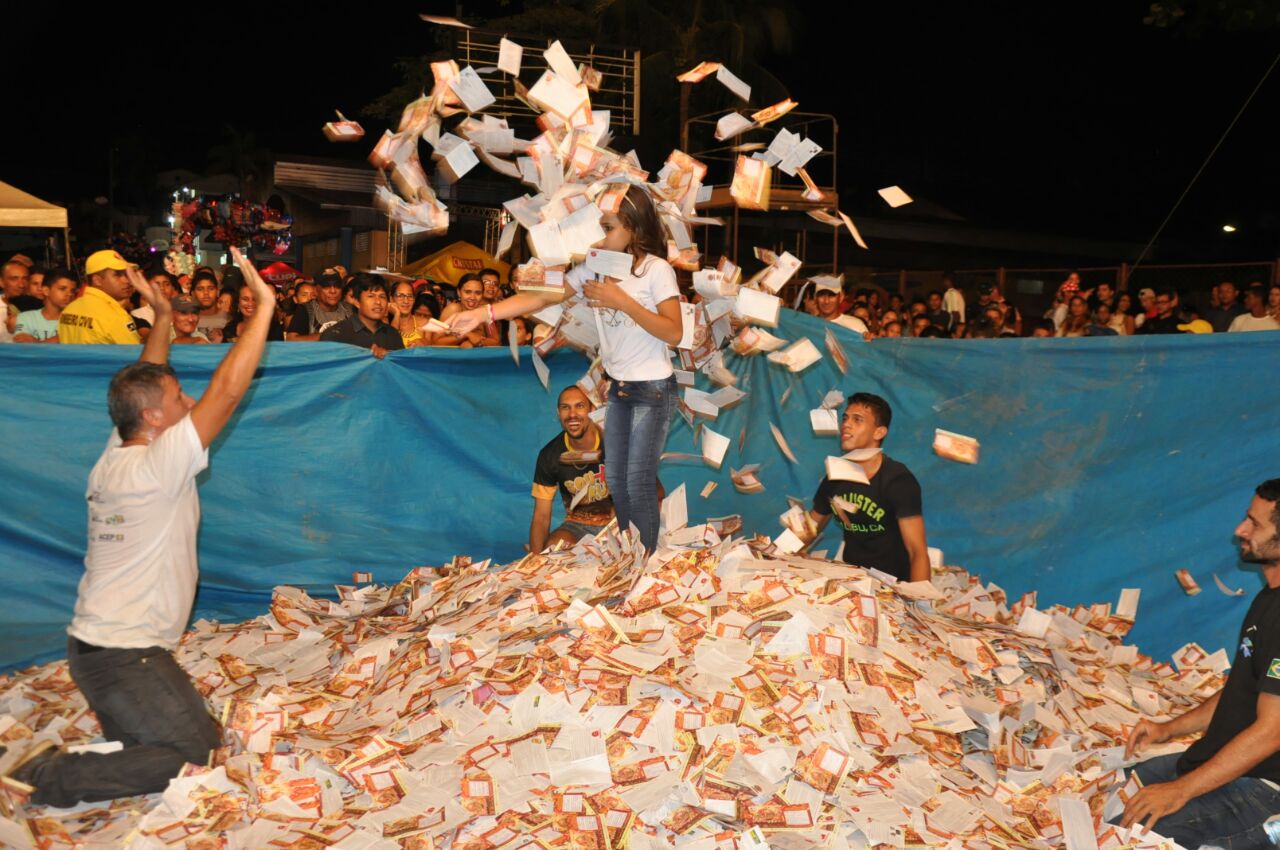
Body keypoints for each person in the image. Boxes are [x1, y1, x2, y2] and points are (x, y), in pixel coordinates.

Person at [0, 247, 276, 809]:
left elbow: (150, 379)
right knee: (194, 752)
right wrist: (263, 310)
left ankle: (123, 746)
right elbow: (225, 391)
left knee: (168, 743)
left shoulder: (118, 453)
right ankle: (49, 777)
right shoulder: (156, 467)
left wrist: (164, 321)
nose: (189, 400)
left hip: (102, 649)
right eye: (179, 399)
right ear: (154, 418)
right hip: (124, 654)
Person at [449, 184, 683, 552]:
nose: (601, 237)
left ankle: (644, 566)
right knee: (619, 483)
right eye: (600, 226)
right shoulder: (595, 266)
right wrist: (484, 312)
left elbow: (674, 330)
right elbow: (544, 296)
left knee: (637, 482)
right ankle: (631, 561)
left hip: (653, 388)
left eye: (608, 228)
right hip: (619, 389)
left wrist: (622, 301)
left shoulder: (656, 270)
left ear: (634, 229)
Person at [1120, 480, 1280, 847]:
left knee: (1133, 837)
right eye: (1245, 518)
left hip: (1263, 786)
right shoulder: (1267, 600)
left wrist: (1181, 791)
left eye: (1254, 524)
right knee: (1105, 794)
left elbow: (1273, 730)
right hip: (1219, 762)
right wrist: (1168, 729)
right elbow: (1241, 690)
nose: (1239, 530)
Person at [804, 392, 930, 582]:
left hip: (893, 585)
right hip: (852, 578)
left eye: (858, 420)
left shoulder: (898, 480)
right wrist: (771, 555)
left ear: (879, 432)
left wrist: (920, 604)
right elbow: (810, 529)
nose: (846, 424)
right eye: (845, 418)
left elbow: (917, 551)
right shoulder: (835, 476)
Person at [530, 387, 615, 553]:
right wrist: (535, 559)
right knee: (554, 548)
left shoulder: (614, 443)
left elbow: (648, 493)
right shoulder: (550, 455)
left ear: (592, 410)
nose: (572, 414)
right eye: (565, 407)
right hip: (577, 527)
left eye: (580, 406)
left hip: (618, 522)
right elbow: (541, 516)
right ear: (558, 413)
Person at [58, 251, 142, 344]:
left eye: (126, 274)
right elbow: (136, 354)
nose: (127, 280)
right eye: (118, 275)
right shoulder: (114, 315)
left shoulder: (70, 309)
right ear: (97, 280)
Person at [319, 273, 404, 358]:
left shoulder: (393, 334)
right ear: (357, 302)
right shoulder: (335, 335)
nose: (378, 302)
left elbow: (401, 367)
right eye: (371, 296)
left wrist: (389, 356)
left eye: (382, 296)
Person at [13, 269, 77, 343]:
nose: (69, 294)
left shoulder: (77, 319)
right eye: (62, 289)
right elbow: (22, 344)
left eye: (72, 291)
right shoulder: (26, 317)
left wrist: (37, 343)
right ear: (46, 291)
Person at [286, 271, 353, 340]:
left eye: (337, 286)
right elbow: (291, 339)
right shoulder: (306, 309)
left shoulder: (349, 309)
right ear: (316, 290)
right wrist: (327, 335)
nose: (333, 291)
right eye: (326, 286)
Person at [439, 274, 501, 347]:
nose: (472, 297)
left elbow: (496, 341)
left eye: (478, 293)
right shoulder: (453, 308)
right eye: (468, 292)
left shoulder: (484, 311)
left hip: (478, 357)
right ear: (459, 292)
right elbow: (437, 341)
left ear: (482, 294)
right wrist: (466, 335)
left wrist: (474, 342)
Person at [189, 270, 228, 343]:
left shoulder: (228, 318)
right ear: (193, 294)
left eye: (211, 288)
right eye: (200, 289)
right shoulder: (187, 319)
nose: (206, 293)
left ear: (218, 292)